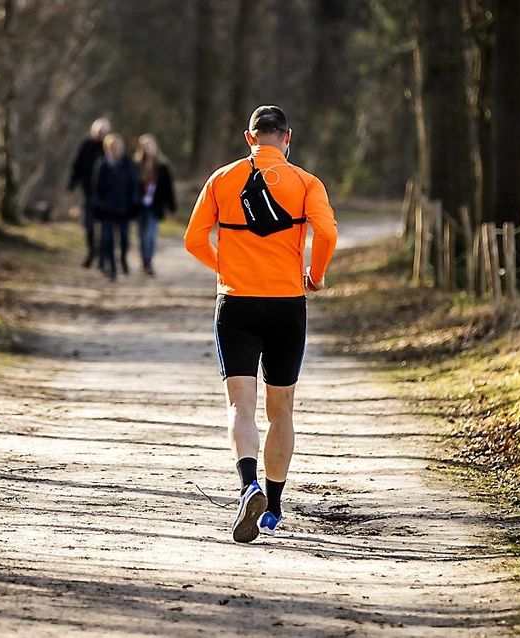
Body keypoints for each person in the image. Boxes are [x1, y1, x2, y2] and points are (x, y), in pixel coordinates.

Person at [184, 105, 338, 543]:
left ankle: (247, 484)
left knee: (240, 406)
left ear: (249, 138)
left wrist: (225, 265)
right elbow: (326, 233)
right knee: (282, 409)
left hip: (236, 302)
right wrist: (316, 275)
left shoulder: (221, 179)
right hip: (286, 303)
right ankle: (272, 506)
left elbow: (194, 239)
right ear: (287, 138)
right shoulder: (307, 183)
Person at [91, 133, 139, 282]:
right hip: (106, 210)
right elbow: (96, 187)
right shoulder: (102, 165)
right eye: (113, 148)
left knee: (124, 239)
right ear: (108, 149)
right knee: (107, 240)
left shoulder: (128, 164)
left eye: (119, 147)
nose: (116, 150)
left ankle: (123, 258)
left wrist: (133, 203)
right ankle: (111, 268)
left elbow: (133, 185)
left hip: (124, 209)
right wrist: (99, 205)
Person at [69, 117, 111, 268]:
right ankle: (92, 250)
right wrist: (72, 183)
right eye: (98, 130)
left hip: (107, 195)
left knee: (106, 227)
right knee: (89, 225)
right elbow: (77, 165)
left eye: (103, 130)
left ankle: (103, 256)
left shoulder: (110, 147)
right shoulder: (86, 145)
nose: (100, 133)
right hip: (88, 192)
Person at [133, 134, 176, 276]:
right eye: (145, 147)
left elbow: (168, 188)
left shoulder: (163, 166)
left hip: (155, 206)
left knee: (150, 236)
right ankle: (144, 260)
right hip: (140, 206)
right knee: (141, 235)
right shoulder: (137, 166)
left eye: (150, 146)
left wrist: (171, 206)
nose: (148, 149)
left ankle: (149, 262)